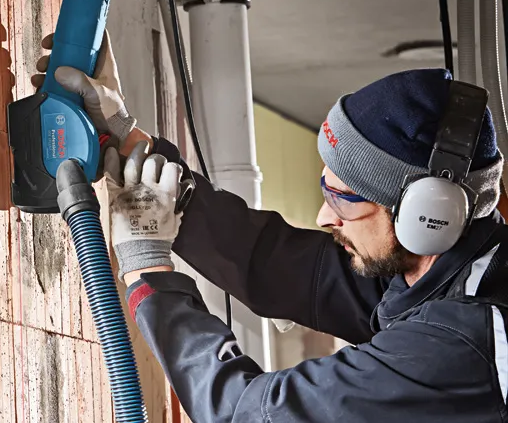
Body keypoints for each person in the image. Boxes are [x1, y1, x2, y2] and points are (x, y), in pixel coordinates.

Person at [33, 33, 508, 422]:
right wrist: (134, 142)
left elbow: (248, 413)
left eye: (344, 199)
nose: (326, 218)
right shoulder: (436, 273)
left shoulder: (461, 345)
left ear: (428, 215)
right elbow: (286, 267)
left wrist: (149, 270)